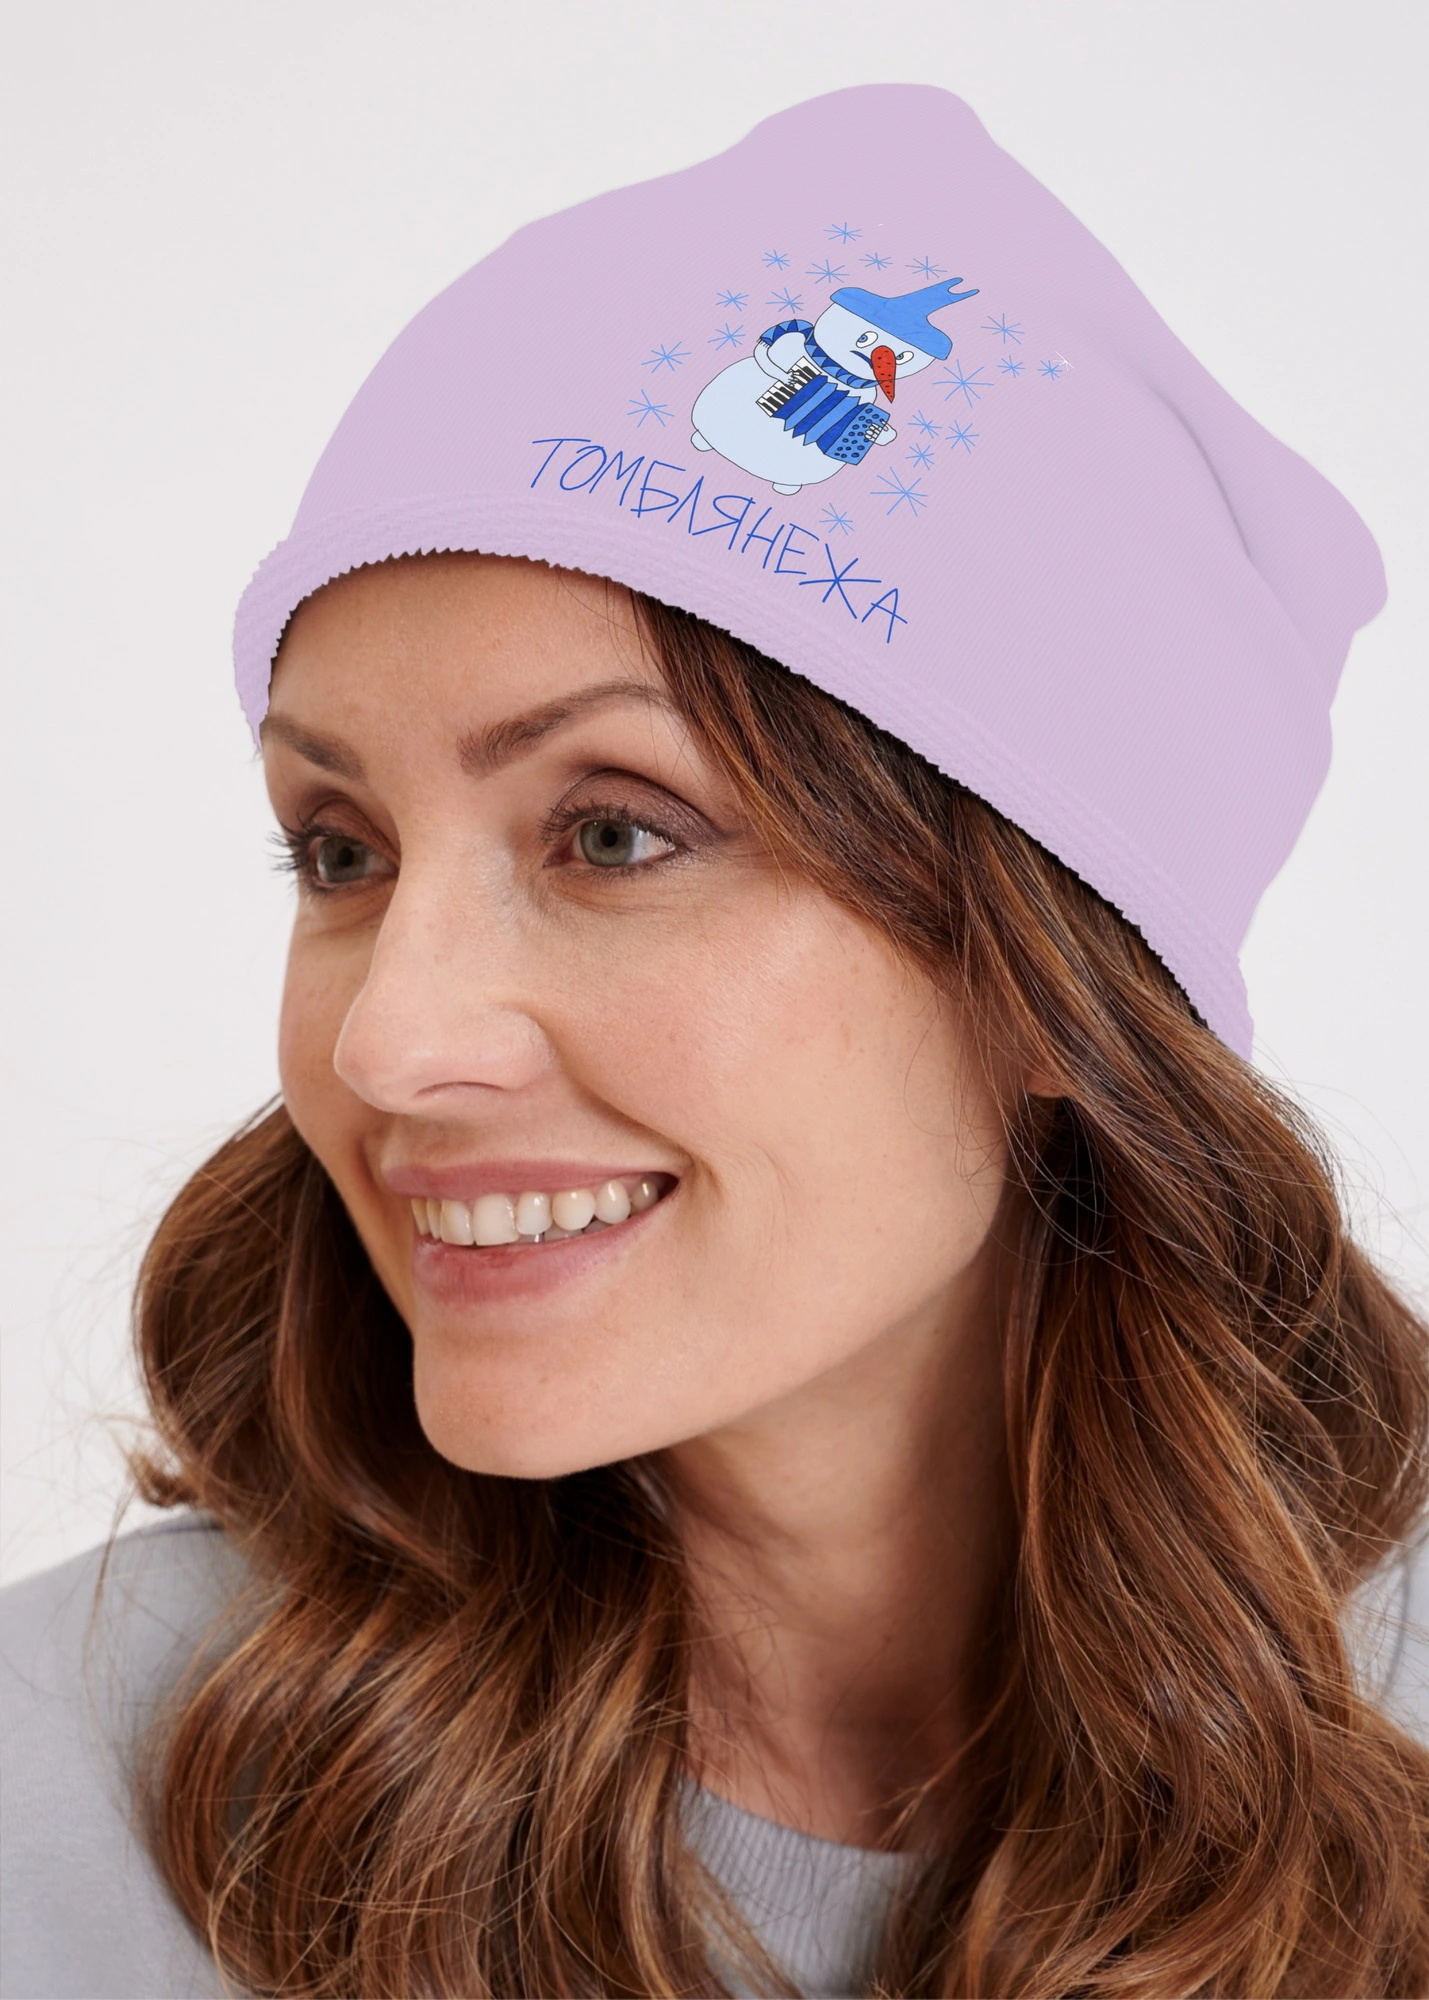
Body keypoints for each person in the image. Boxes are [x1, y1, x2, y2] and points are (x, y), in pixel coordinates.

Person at [3, 85, 1427, 2000]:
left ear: (1056, 975)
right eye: (341, 850)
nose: (392, 1041)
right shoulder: (66, 1806)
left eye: (613, 836)